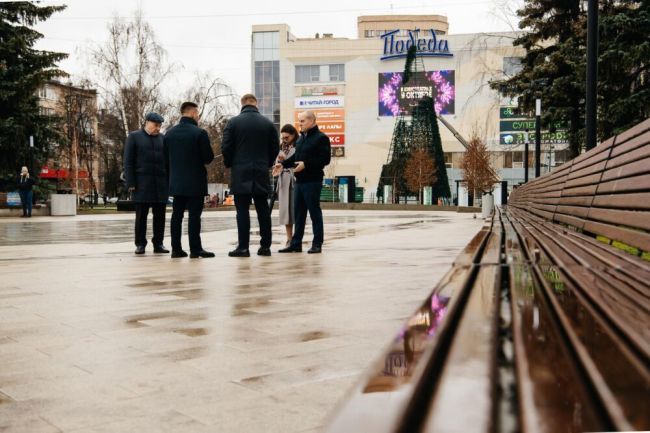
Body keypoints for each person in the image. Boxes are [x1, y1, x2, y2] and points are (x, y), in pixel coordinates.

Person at [221, 93, 279, 257]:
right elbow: (275, 148)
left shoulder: (233, 123)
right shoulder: (268, 124)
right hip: (261, 171)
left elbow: (226, 147)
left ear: (242, 104)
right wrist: (266, 163)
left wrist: (230, 163)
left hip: (240, 171)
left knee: (242, 211)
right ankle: (265, 246)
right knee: (263, 210)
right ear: (256, 104)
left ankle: (243, 247)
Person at [164, 102, 215, 258]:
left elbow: (165, 160)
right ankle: (195, 249)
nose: (198, 117)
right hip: (195, 182)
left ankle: (176, 249)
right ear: (193, 113)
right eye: (198, 114)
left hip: (176, 182)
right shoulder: (199, 133)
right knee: (194, 217)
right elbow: (208, 158)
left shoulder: (169, 134)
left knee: (176, 216)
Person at [276, 111, 331, 254]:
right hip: (299, 182)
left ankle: (317, 243)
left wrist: (306, 164)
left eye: (302, 121)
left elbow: (325, 159)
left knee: (314, 212)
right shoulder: (300, 139)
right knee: (299, 214)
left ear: (312, 121)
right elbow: (295, 158)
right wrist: (283, 165)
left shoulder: (321, 138)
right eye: (299, 121)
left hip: (313, 181)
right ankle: (296, 243)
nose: (299, 124)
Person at [124, 112, 169, 255]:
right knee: (141, 216)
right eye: (156, 125)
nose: (158, 128)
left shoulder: (163, 139)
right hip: (141, 183)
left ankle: (158, 243)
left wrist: (169, 181)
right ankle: (140, 244)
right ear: (147, 123)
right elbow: (128, 161)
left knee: (160, 216)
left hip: (160, 184)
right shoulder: (134, 137)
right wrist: (131, 182)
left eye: (160, 126)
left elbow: (168, 162)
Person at [271, 124, 298, 247]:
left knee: (296, 210)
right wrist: (277, 165)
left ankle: (297, 238)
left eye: (286, 137)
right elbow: (276, 161)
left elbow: (297, 161)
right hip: (282, 180)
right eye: (282, 138)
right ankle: (289, 238)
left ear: (293, 135)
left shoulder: (298, 145)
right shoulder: (281, 147)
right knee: (286, 211)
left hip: (294, 179)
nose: (284, 140)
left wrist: (285, 164)